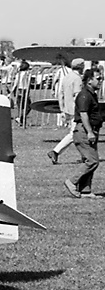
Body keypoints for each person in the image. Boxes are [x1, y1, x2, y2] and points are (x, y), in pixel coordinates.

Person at [64, 68, 103, 199]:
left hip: (90, 130)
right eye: (98, 78)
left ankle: (86, 190)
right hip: (84, 131)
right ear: (89, 80)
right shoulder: (84, 95)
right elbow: (83, 114)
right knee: (92, 161)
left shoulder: (92, 94)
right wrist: (90, 132)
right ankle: (72, 181)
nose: (101, 81)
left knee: (91, 160)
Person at [48, 58, 85, 165]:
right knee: (74, 134)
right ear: (81, 66)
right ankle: (55, 151)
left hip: (68, 109)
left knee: (78, 134)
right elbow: (77, 95)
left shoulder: (66, 78)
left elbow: (61, 94)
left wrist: (62, 109)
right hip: (76, 110)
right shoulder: (77, 79)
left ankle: (85, 156)